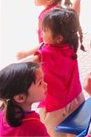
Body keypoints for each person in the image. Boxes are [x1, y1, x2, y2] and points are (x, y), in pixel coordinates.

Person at [23, 8, 84, 136]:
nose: (41, 34)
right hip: (76, 99)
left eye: (44, 31)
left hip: (56, 107)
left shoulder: (46, 53)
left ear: (59, 38)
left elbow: (27, 64)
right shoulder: (72, 44)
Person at [16, 0, 89, 60]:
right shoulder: (60, 12)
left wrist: (26, 53)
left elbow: (46, 43)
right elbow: (74, 16)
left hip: (52, 57)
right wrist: (77, 0)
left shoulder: (49, 17)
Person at [0, 62, 49, 136]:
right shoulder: (34, 127)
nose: (46, 84)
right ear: (20, 97)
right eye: (40, 83)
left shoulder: (1, 114)